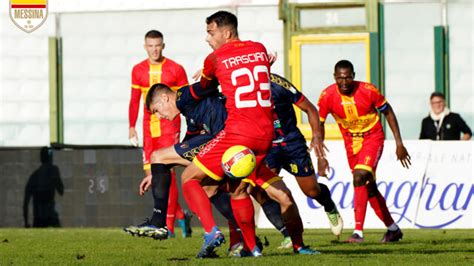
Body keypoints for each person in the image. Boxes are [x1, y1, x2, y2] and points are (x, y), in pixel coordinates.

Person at [148, 80, 319, 257]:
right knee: (232, 191)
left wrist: (208, 74)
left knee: (281, 195)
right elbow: (189, 142)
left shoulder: (185, 96)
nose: (160, 116)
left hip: (238, 145)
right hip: (233, 148)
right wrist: (159, 169)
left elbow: (209, 85)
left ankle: (294, 244)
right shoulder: (189, 111)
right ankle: (250, 247)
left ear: (164, 98)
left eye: (156, 111)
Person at [317, 60, 411, 243]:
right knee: (368, 186)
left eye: (348, 77)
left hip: (372, 137)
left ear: (353, 75)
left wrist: (399, 143)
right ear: (334, 77)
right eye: (340, 78)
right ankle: (393, 229)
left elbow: (388, 112)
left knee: (359, 176)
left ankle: (358, 232)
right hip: (351, 142)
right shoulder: (327, 96)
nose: (344, 82)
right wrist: (320, 155)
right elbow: (319, 124)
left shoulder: (368, 90)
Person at [255, 73, 343, 247]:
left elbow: (310, 109)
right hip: (268, 148)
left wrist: (317, 136)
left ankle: (328, 205)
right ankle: (288, 233)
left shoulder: (278, 83)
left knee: (312, 191)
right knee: (261, 191)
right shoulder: (240, 87)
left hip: (292, 144)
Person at [124, 30, 191, 239]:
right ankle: (180, 216)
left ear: (163, 46)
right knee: (154, 177)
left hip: (169, 125)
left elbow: (185, 98)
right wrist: (131, 125)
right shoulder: (138, 70)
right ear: (145, 47)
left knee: (166, 173)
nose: (154, 50)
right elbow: (135, 99)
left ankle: (167, 226)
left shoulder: (175, 69)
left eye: (158, 45)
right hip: (148, 127)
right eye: (150, 46)